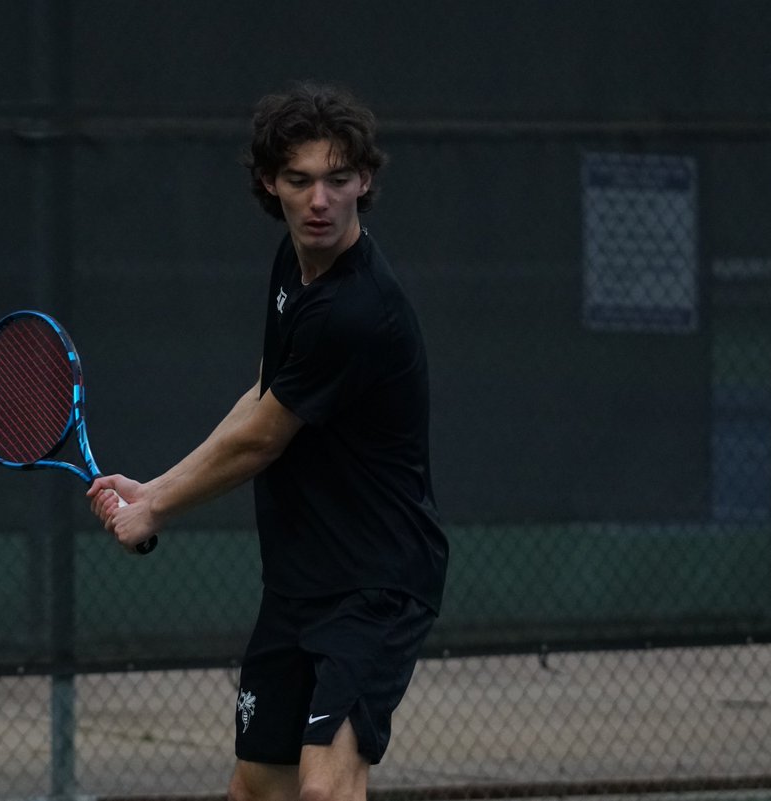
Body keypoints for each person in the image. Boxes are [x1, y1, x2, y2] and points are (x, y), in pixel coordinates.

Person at [87, 82, 448, 801]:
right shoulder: (296, 268)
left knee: (325, 789)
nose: (320, 200)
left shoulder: (355, 309)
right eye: (300, 180)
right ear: (268, 183)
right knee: (258, 787)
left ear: (364, 181)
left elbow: (261, 442)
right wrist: (153, 487)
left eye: (338, 180)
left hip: (374, 583)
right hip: (299, 579)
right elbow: (263, 398)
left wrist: (155, 509)